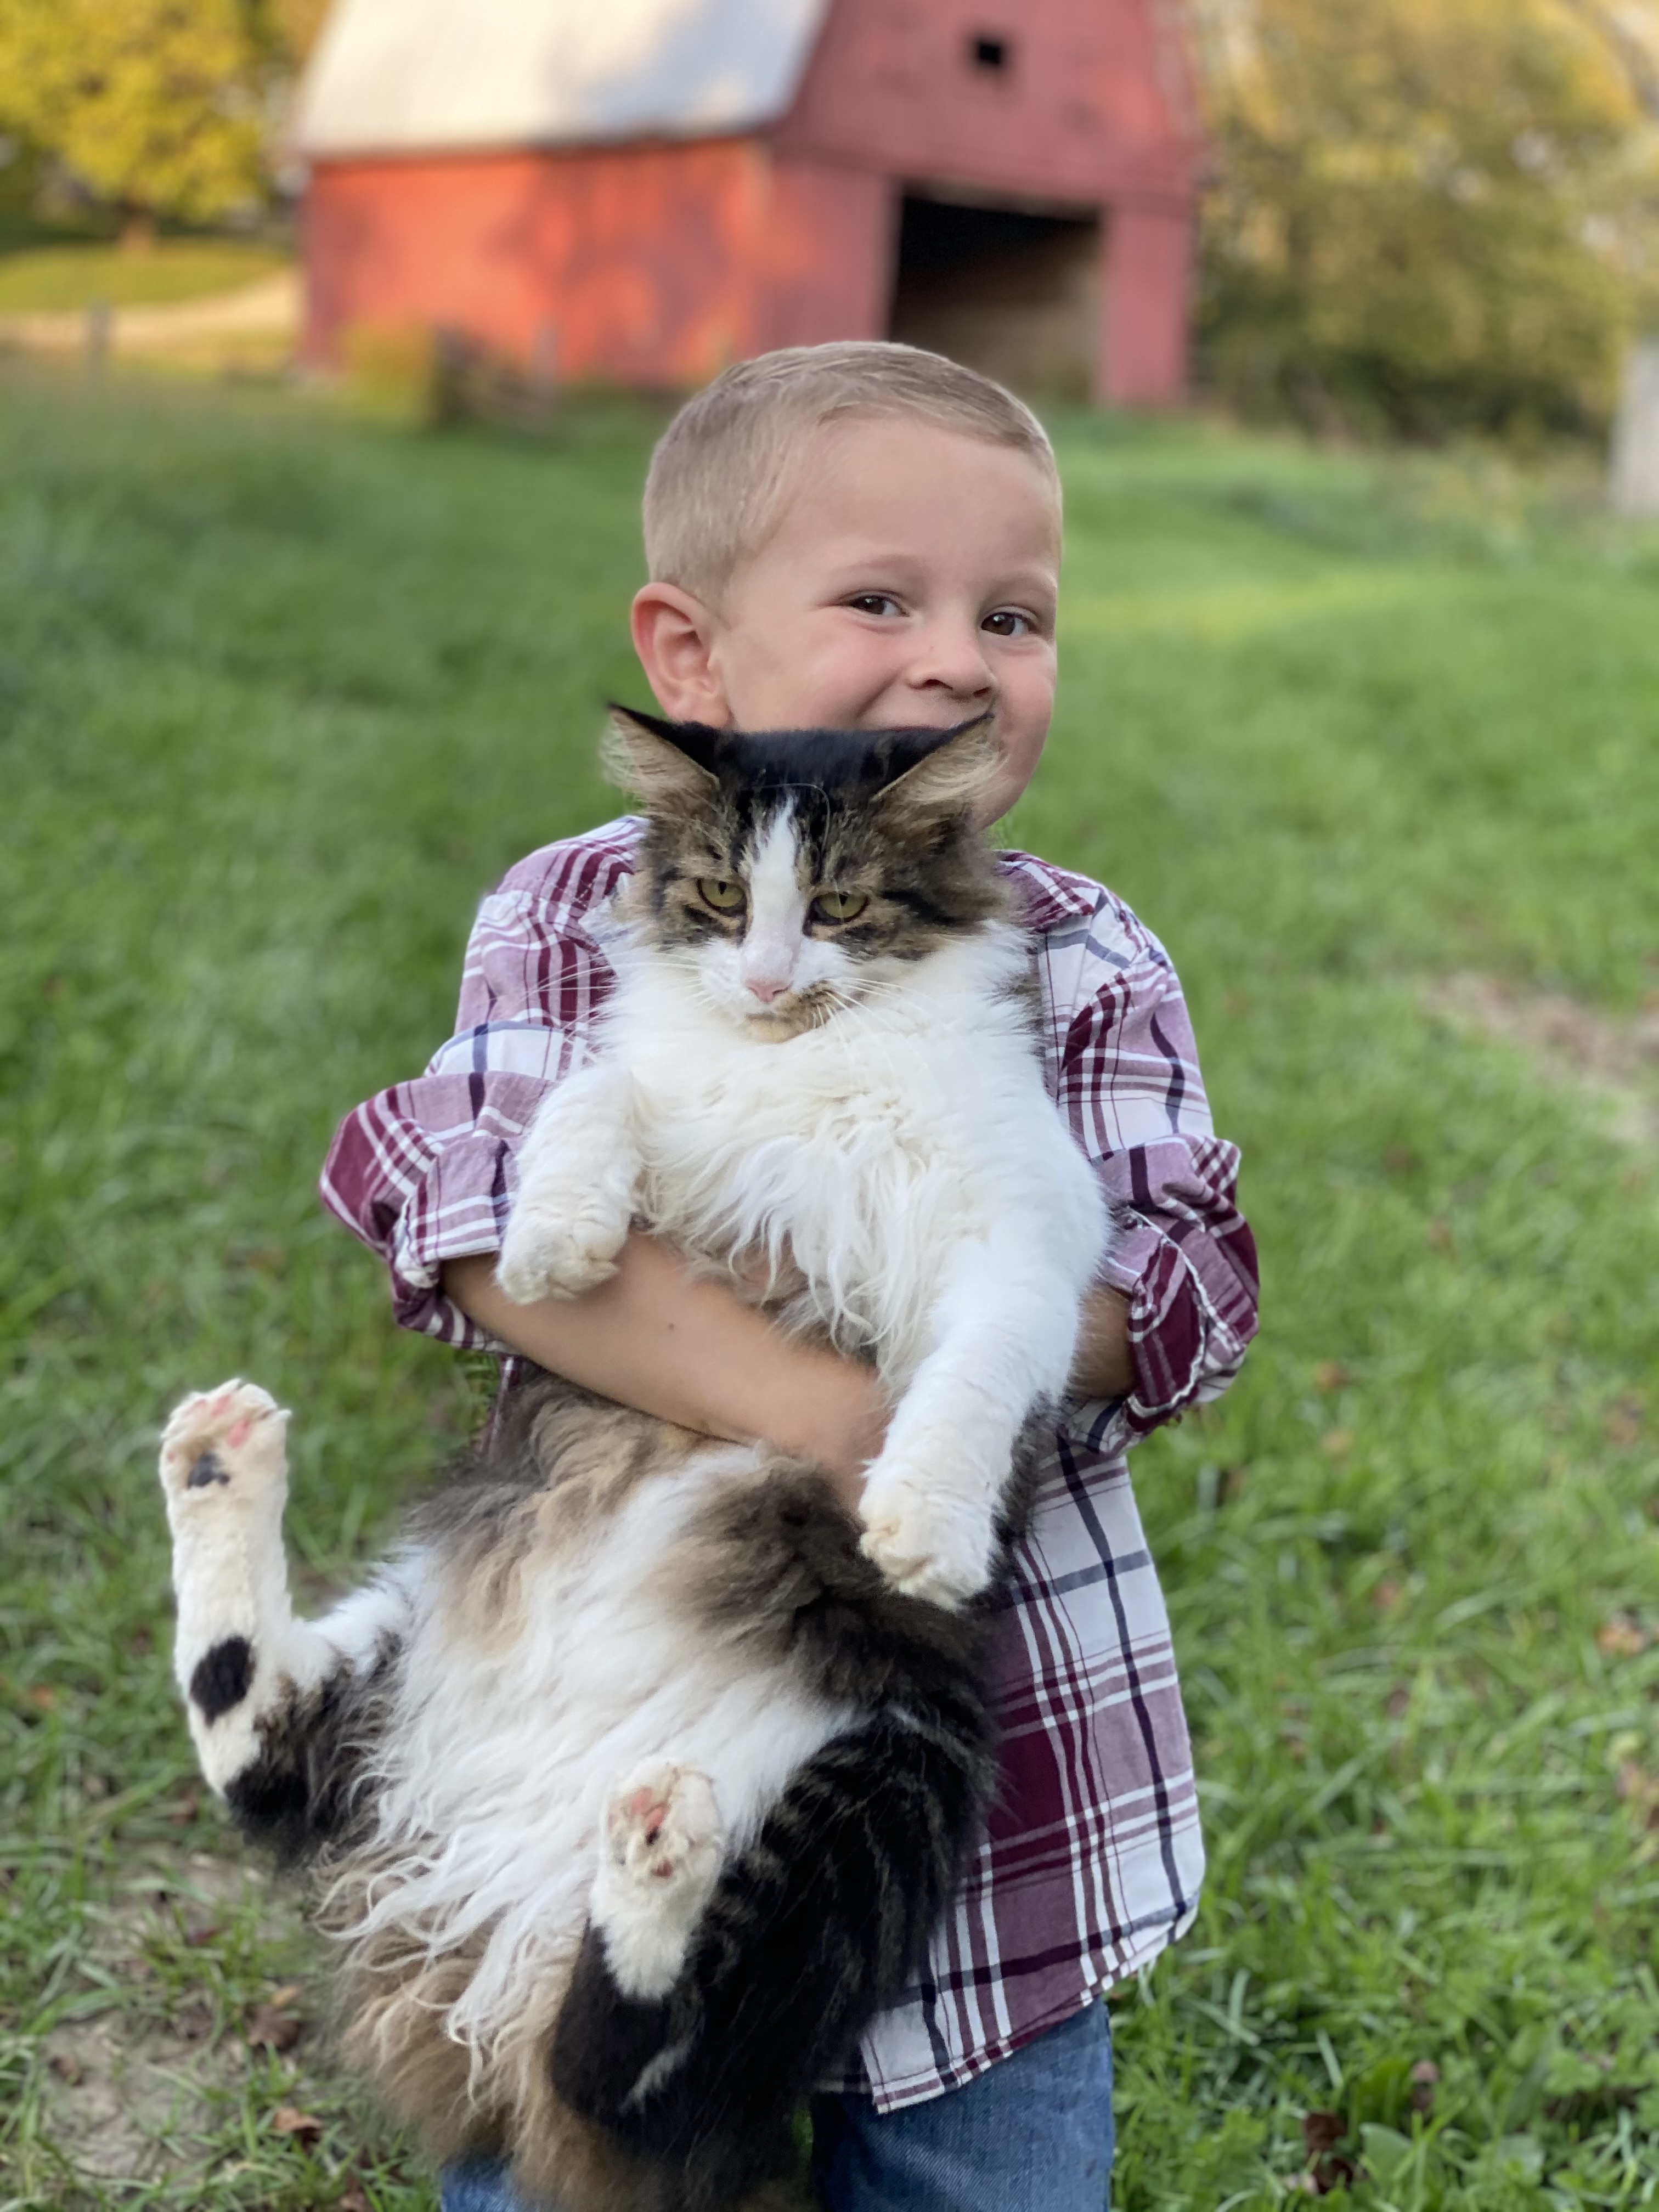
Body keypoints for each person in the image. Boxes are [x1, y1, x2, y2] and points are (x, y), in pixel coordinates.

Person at [321, 342, 1259, 2212]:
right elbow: (462, 1213)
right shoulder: (571, 911)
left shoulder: (1084, 955)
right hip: (628, 1734)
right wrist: (835, 1411)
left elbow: (1184, 1290)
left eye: (1015, 614)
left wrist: (965, 1328)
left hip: (988, 1817)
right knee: (579, 2135)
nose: (956, 656)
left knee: (983, 2177)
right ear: (691, 658)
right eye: (880, 598)